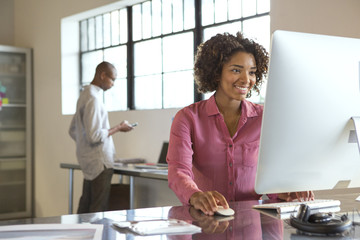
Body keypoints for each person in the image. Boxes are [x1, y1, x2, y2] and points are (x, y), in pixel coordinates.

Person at [167, 32, 314, 216]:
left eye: (252, 72)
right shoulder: (188, 118)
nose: (246, 79)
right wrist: (195, 196)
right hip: (207, 221)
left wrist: (289, 189)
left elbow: (271, 177)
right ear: (216, 73)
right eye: (236, 70)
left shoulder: (265, 118)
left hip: (255, 222)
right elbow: (178, 171)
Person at [69, 61, 134, 213]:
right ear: (102, 75)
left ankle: (79, 236)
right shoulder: (93, 99)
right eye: (112, 79)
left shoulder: (84, 95)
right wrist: (119, 127)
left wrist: (84, 147)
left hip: (88, 160)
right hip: (100, 163)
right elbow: (94, 136)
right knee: (98, 209)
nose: (113, 84)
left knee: (85, 207)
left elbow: (72, 130)